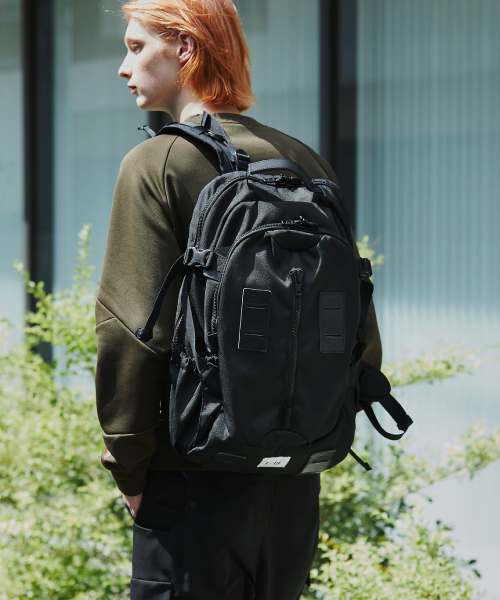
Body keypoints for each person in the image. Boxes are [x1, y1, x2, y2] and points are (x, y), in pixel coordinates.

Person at [94, 1, 383, 598]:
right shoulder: (304, 160)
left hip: (189, 477)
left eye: (137, 47)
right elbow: (358, 324)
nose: (124, 67)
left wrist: (129, 465)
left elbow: (130, 331)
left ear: (185, 48)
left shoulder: (157, 162)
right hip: (293, 486)